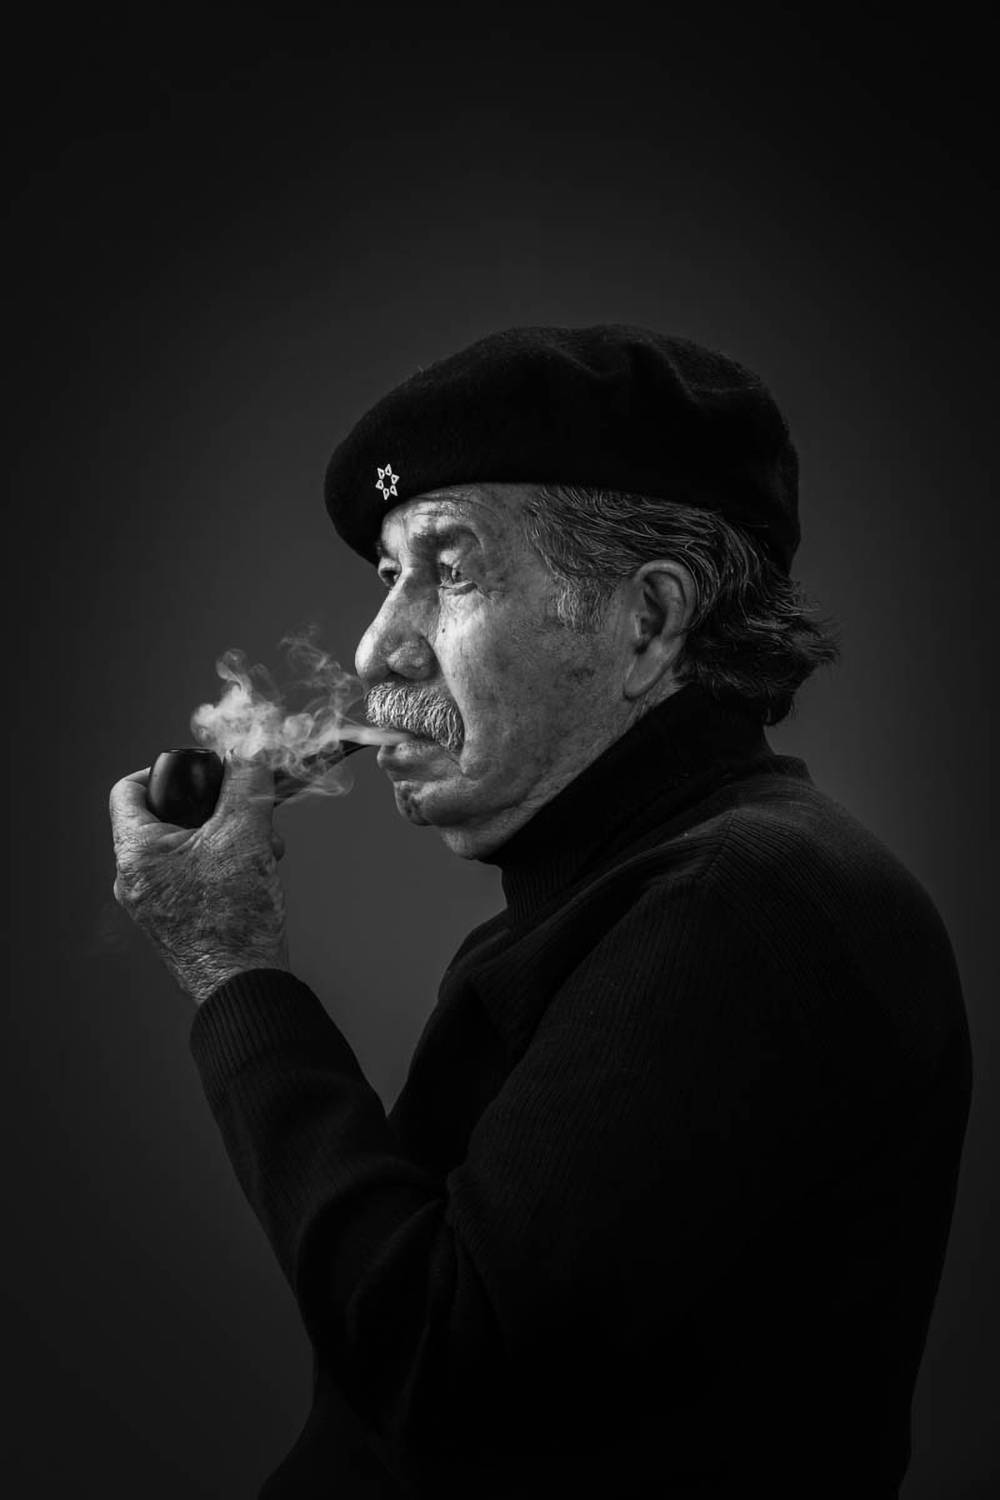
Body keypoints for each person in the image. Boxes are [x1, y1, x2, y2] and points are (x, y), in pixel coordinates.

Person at [109, 325, 972, 1498]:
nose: (377, 649)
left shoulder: (743, 901)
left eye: (451, 570)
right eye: (388, 577)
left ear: (647, 623)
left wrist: (233, 969)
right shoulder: (645, 891)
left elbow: (441, 1370)